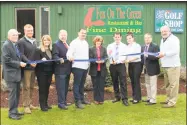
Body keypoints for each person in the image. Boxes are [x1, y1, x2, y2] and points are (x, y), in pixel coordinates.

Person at [2, 29, 26, 120]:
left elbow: (17, 56)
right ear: (9, 36)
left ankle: (15, 110)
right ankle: (11, 113)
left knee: (16, 94)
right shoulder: (6, 45)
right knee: (13, 94)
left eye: (16, 35)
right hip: (11, 75)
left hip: (16, 74)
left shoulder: (14, 44)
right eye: (13, 35)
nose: (16, 37)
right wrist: (19, 63)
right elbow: (6, 60)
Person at [66, 28, 90, 109]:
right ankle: (77, 102)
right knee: (77, 84)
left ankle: (82, 99)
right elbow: (69, 53)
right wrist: (70, 56)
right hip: (77, 66)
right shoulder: (74, 42)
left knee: (82, 84)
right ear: (78, 33)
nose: (83, 34)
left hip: (85, 66)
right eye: (82, 33)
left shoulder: (86, 43)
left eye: (85, 33)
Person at [157, 25, 181, 108]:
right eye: (162, 31)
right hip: (165, 65)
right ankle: (168, 99)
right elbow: (163, 51)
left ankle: (172, 102)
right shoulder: (162, 39)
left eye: (165, 31)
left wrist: (164, 54)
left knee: (173, 85)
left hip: (173, 65)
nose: (163, 33)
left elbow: (175, 51)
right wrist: (160, 54)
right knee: (167, 84)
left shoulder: (174, 39)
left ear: (169, 31)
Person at [17, 24, 38, 114]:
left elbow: (36, 52)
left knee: (32, 86)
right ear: (25, 31)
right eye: (28, 30)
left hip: (34, 67)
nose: (30, 32)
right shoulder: (21, 41)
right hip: (26, 68)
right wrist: (29, 62)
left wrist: (37, 61)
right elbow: (21, 55)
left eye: (31, 30)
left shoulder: (34, 40)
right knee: (26, 87)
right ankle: (26, 106)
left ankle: (29, 103)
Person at [107, 32, 129, 106]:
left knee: (123, 82)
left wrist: (117, 61)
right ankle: (117, 97)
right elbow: (109, 55)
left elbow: (124, 56)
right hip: (112, 66)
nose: (117, 38)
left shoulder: (124, 46)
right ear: (113, 37)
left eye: (118, 37)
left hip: (121, 65)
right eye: (115, 37)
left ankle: (125, 99)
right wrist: (113, 61)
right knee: (115, 81)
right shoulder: (110, 46)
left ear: (121, 37)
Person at [52, 30, 72, 110]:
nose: (63, 36)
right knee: (61, 88)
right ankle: (61, 103)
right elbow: (55, 56)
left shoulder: (67, 44)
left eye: (65, 35)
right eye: (62, 35)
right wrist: (59, 59)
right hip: (60, 70)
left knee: (65, 87)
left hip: (67, 70)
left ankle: (64, 102)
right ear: (59, 35)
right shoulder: (56, 44)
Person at [35, 35, 54, 111]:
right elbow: (36, 61)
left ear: (50, 41)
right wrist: (40, 60)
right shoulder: (39, 50)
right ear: (42, 41)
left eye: (48, 40)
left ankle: (46, 104)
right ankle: (42, 105)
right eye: (45, 40)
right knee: (42, 89)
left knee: (47, 89)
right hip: (41, 73)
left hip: (49, 72)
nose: (46, 42)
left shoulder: (50, 50)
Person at [141, 33, 160, 105]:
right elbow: (142, 58)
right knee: (147, 84)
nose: (147, 39)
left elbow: (157, 57)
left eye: (148, 38)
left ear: (151, 38)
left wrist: (147, 55)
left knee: (153, 85)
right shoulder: (143, 47)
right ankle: (149, 98)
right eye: (145, 38)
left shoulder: (155, 46)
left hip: (153, 69)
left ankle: (153, 100)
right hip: (146, 69)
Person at [89, 35, 107, 104]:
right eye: (97, 40)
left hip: (102, 70)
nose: (98, 42)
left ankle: (101, 99)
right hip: (94, 70)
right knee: (95, 85)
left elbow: (106, 57)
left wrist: (103, 61)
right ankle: (96, 99)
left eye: (100, 41)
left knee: (101, 85)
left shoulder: (104, 49)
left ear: (101, 42)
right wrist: (95, 61)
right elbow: (90, 58)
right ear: (95, 41)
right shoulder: (91, 49)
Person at [126, 32, 142, 104]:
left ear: (133, 38)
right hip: (130, 65)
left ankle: (137, 98)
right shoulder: (127, 46)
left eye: (130, 38)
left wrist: (129, 60)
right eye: (127, 39)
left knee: (136, 80)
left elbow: (137, 56)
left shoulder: (137, 45)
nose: (128, 40)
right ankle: (134, 97)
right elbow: (125, 56)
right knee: (132, 81)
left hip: (137, 64)